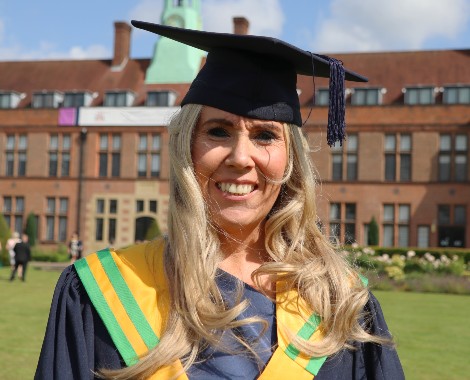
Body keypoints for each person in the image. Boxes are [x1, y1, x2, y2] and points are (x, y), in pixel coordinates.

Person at [35, 21, 405, 380]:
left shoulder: (340, 305)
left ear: (290, 159)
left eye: (264, 135)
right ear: (187, 147)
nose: (241, 158)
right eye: (218, 131)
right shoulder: (101, 295)